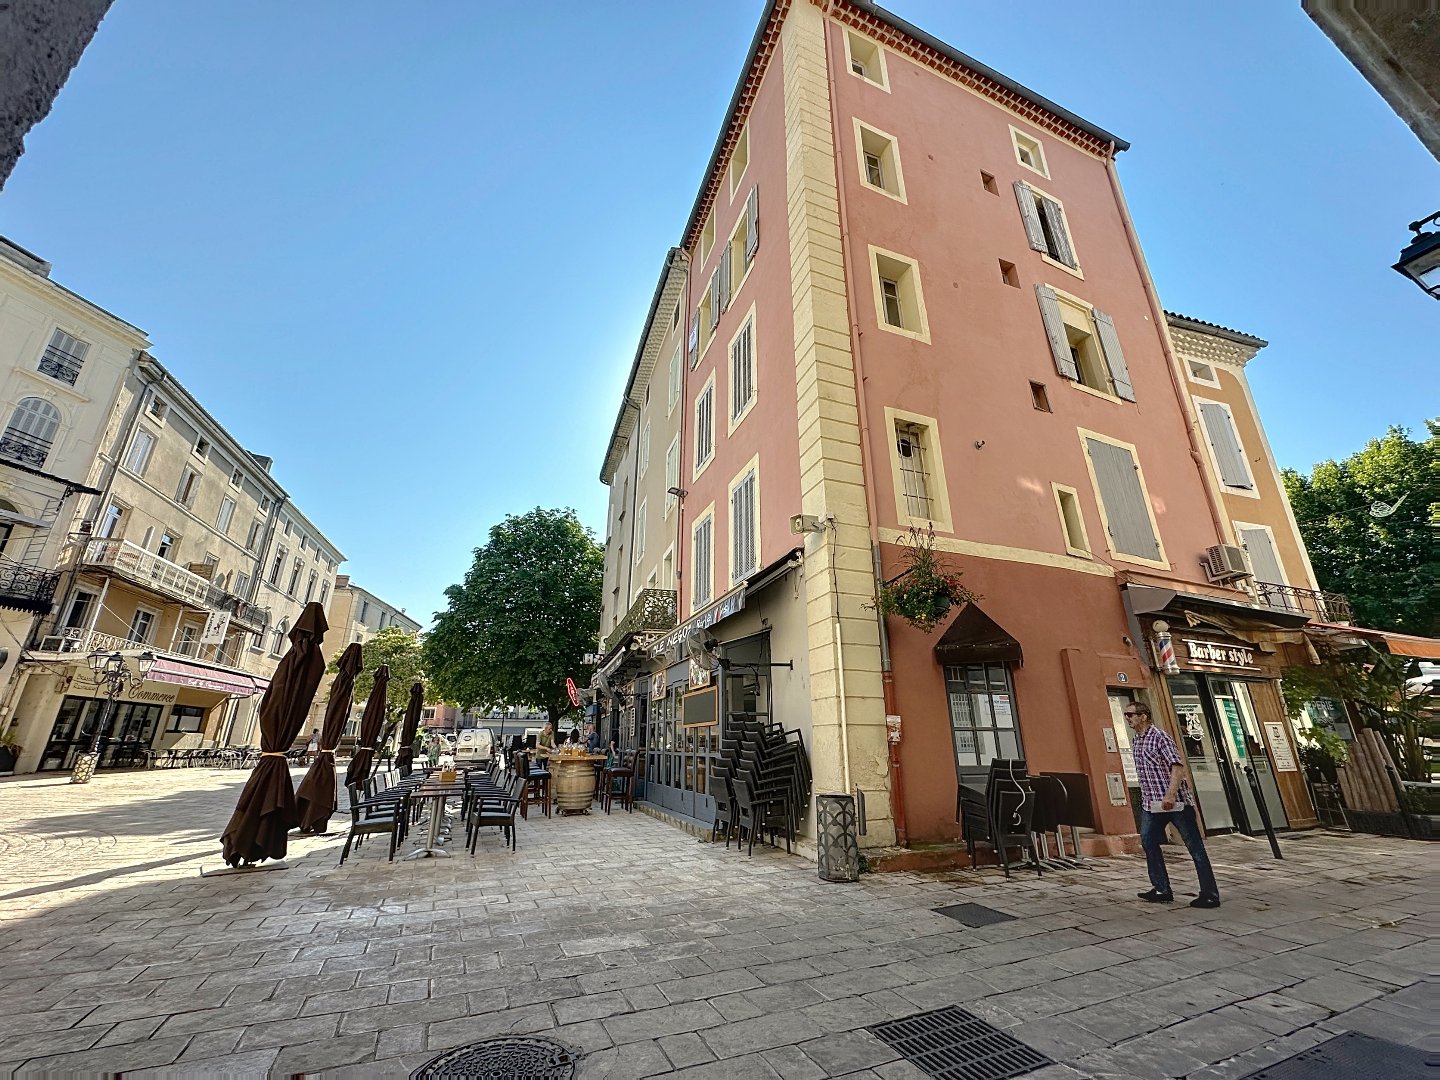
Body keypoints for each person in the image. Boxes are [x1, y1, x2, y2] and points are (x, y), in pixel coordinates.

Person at [1125, 702, 1221, 909]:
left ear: (1143, 716)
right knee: (1148, 842)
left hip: (1176, 803)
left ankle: (1210, 894)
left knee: (1194, 847)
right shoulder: (1137, 741)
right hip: (1152, 804)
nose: (1127, 718)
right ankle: (1161, 889)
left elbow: (1177, 766)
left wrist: (1170, 794)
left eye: (1130, 714)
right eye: (1126, 715)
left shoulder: (1160, 737)